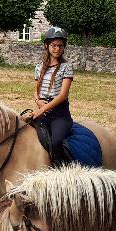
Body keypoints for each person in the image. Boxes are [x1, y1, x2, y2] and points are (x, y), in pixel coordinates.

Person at [27, 27, 74, 163]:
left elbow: (63, 95)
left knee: (56, 141)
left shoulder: (67, 67)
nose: (57, 49)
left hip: (60, 115)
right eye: (54, 45)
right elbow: (36, 89)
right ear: (46, 46)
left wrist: (42, 109)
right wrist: (38, 101)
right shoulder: (39, 67)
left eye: (60, 46)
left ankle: (62, 170)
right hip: (42, 112)